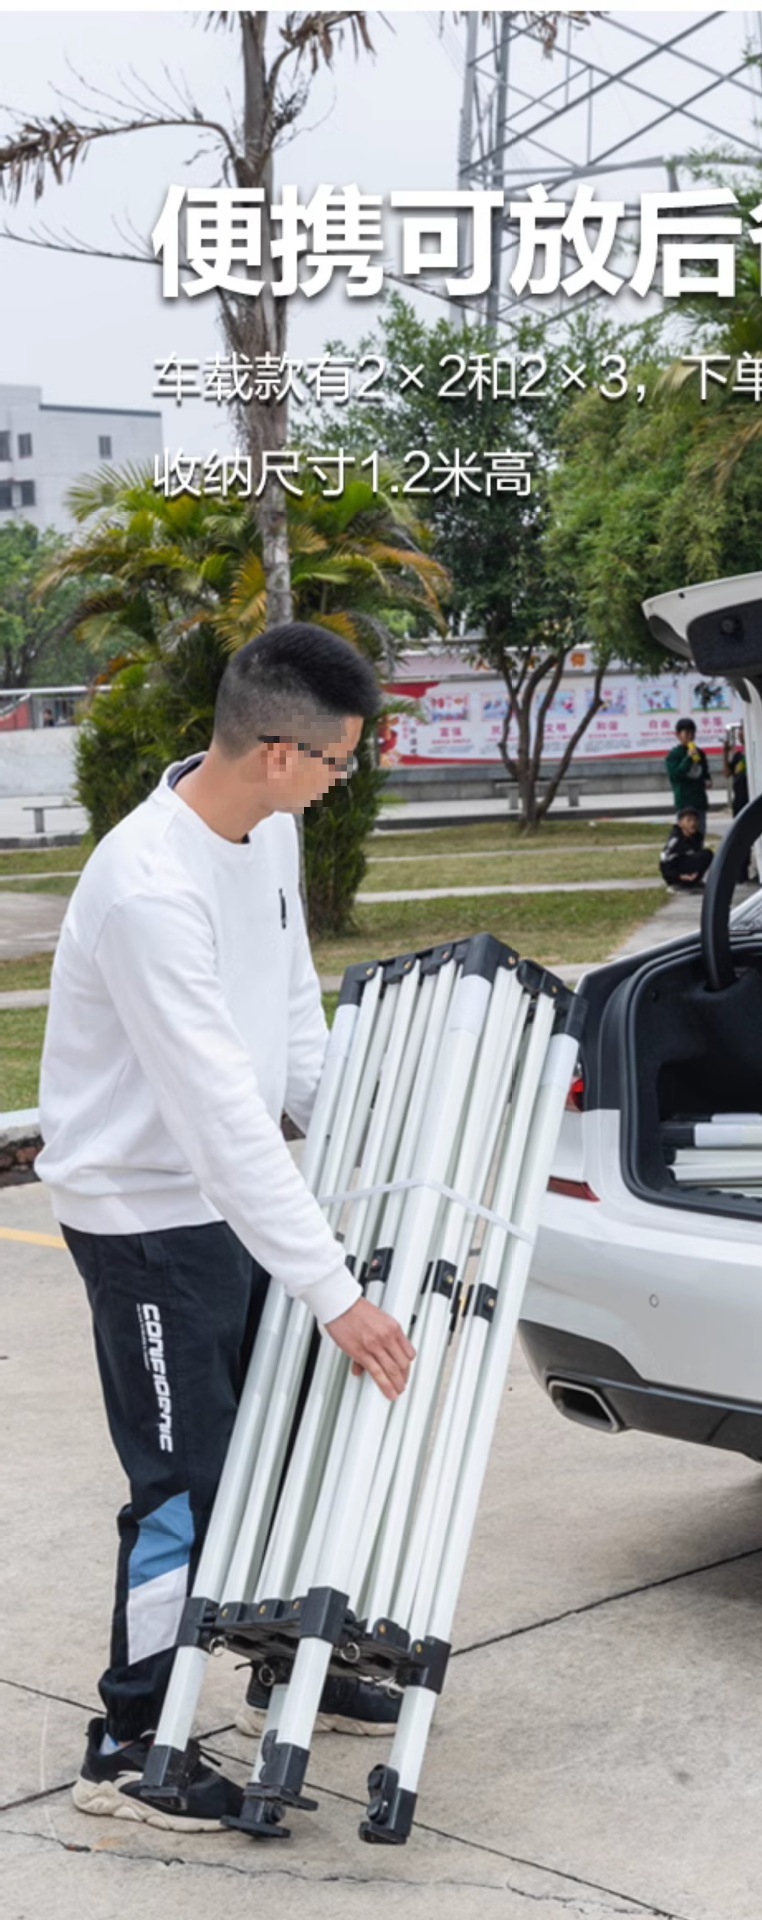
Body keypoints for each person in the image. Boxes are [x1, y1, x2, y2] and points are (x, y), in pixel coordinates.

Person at [37, 623, 416, 1831]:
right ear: (276, 751)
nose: (342, 780)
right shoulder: (147, 889)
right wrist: (335, 1293)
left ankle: (274, 1662)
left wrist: (371, 1146)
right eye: (338, 761)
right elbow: (215, 1117)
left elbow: (293, 1025)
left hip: (232, 1204)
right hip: (146, 1221)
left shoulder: (269, 834)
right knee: (182, 1488)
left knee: (279, 1457)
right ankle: (127, 1743)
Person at [665, 716, 711, 819]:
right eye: (686, 733)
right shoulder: (674, 755)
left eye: (692, 733)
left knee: (700, 827)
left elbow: (704, 772)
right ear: (678, 735)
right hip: (684, 803)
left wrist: (707, 780)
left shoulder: (700, 753)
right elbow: (675, 775)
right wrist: (688, 758)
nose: (690, 736)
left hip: (699, 802)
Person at [660, 808, 715, 889]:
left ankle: (694, 882)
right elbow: (665, 861)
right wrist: (678, 876)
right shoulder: (675, 840)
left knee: (707, 854)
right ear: (680, 823)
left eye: (695, 820)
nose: (693, 823)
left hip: (688, 869)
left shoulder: (697, 837)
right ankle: (681, 884)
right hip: (675, 874)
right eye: (689, 820)